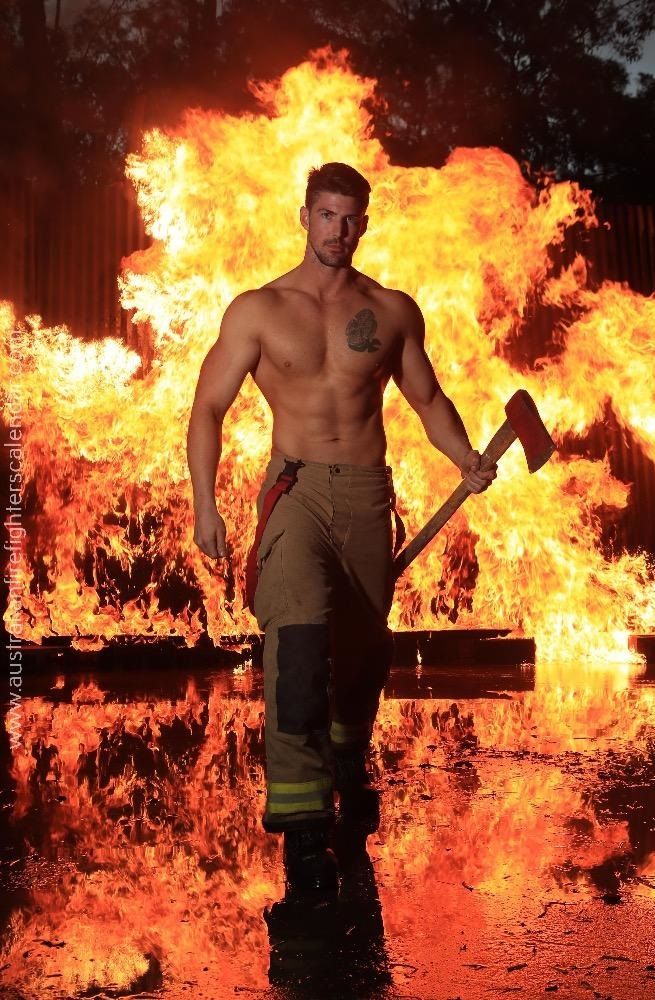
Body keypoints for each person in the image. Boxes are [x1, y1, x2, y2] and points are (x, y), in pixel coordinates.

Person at [187, 162, 496, 895]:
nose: (338, 229)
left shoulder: (390, 310)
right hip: (293, 492)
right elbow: (206, 409)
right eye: (326, 215)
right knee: (295, 645)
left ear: (365, 221)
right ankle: (301, 831)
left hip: (364, 494)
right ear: (304, 218)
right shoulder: (257, 309)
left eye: (350, 217)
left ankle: (348, 760)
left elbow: (426, 398)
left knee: (360, 658)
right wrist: (206, 507)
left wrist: (464, 456)